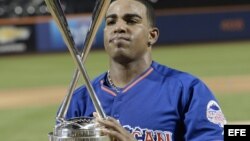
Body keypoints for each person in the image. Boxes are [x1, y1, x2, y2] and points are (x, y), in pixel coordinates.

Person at [64, 0, 227, 140]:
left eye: (131, 21)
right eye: (111, 22)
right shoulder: (80, 100)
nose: (119, 27)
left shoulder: (187, 90)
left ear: (152, 35)